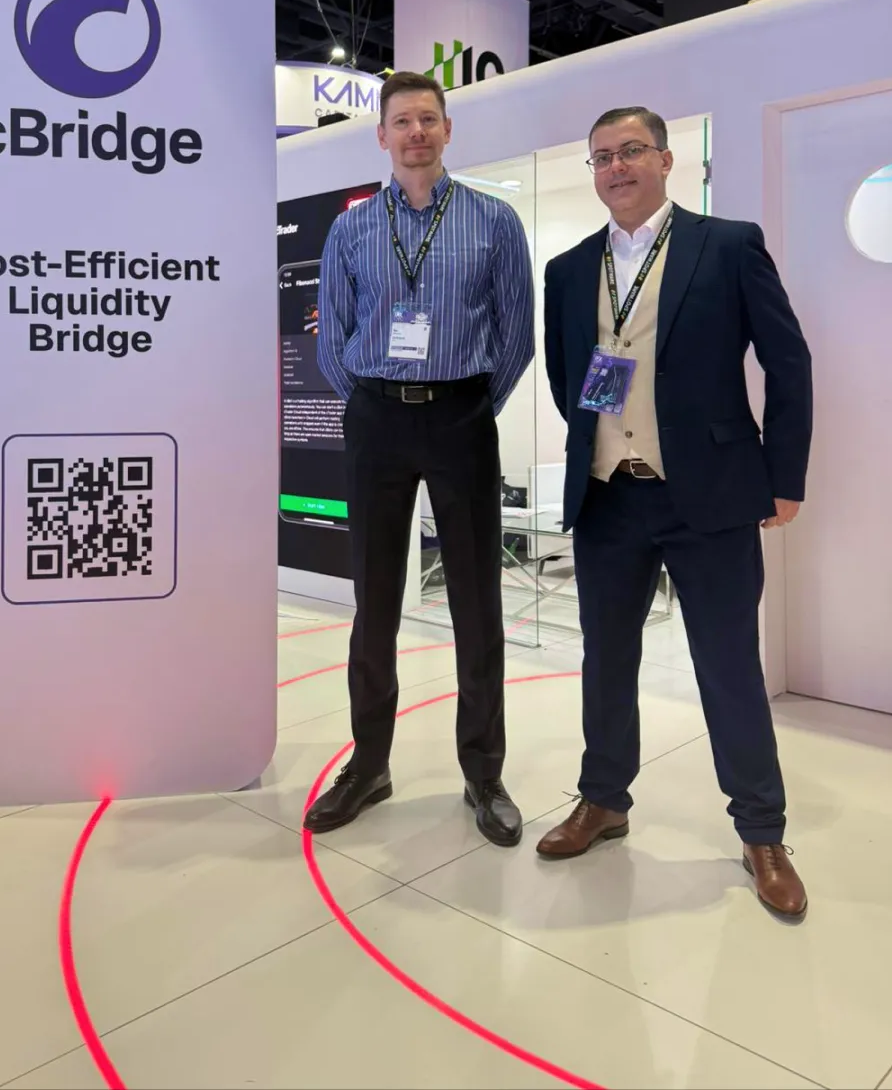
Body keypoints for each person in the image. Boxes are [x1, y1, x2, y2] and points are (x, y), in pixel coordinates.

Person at [538, 106, 813, 919]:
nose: (616, 167)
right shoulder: (568, 268)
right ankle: (603, 800)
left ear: (664, 159)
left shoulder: (727, 245)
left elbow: (788, 362)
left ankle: (762, 831)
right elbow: (568, 379)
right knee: (605, 659)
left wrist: (783, 476)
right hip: (608, 499)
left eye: (630, 151)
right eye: (601, 157)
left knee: (728, 667)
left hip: (711, 497)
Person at [307, 71, 534, 846]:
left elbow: (516, 334)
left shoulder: (494, 220)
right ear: (382, 135)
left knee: (477, 599)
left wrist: (468, 405)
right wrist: (374, 401)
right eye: (401, 121)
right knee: (374, 601)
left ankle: (484, 772)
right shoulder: (352, 230)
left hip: (462, 414)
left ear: (447, 129)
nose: (415, 133)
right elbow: (333, 337)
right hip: (376, 417)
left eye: (428, 119)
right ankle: (369, 765)